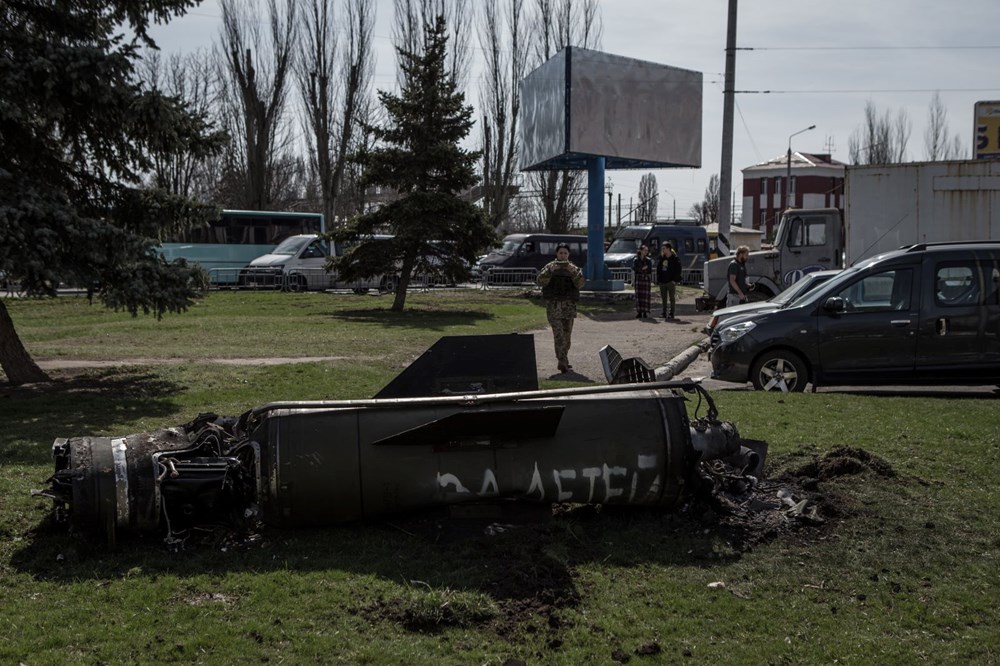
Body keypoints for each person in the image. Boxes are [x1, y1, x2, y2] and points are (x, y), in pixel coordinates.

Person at [537, 243, 586, 373]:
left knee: (567, 336)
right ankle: (562, 361)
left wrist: (574, 273)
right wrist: (549, 272)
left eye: (565, 253)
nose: (562, 255)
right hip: (554, 307)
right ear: (556, 254)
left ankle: (564, 358)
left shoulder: (573, 268)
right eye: (560, 253)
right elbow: (540, 281)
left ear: (568, 255)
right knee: (558, 335)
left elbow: (581, 284)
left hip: (568, 308)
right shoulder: (550, 267)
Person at [656, 243, 682, 319]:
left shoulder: (675, 258)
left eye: (664, 248)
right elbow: (658, 269)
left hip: (671, 282)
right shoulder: (662, 258)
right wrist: (659, 279)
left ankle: (671, 313)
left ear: (668, 249)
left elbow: (678, 270)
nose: (662, 250)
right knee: (664, 298)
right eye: (662, 248)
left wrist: (674, 280)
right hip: (662, 281)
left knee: (672, 298)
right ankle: (664, 313)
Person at [632, 244, 653, 319]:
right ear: (640, 251)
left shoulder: (648, 260)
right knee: (639, 295)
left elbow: (650, 270)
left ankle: (645, 312)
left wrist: (643, 269)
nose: (646, 252)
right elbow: (635, 268)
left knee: (646, 296)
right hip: (639, 279)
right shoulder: (636, 260)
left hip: (646, 279)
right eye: (644, 250)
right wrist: (642, 268)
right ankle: (639, 312)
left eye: (647, 251)